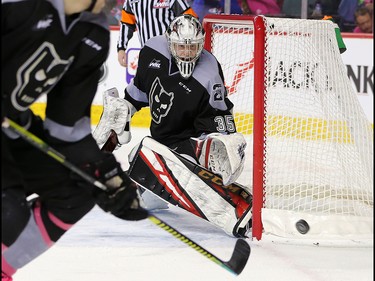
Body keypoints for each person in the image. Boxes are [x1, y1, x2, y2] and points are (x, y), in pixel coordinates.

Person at [1, 1, 149, 280]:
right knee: (8, 209)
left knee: (75, 193)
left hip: (11, 125)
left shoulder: (93, 33)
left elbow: (66, 124)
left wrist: (105, 172)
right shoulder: (17, 6)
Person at [93, 15, 251, 237]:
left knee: (149, 156)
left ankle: (231, 205)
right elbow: (138, 93)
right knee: (139, 171)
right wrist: (124, 109)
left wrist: (218, 145)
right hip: (161, 141)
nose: (187, 53)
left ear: (201, 44)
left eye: (193, 47)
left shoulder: (209, 72)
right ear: (169, 42)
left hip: (190, 141)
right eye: (181, 47)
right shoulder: (152, 51)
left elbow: (220, 116)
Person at [117, 0, 197, 67]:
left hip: (172, 55)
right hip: (147, 54)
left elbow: (191, 20)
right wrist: (121, 48)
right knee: (149, 84)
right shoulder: (131, 1)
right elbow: (126, 24)